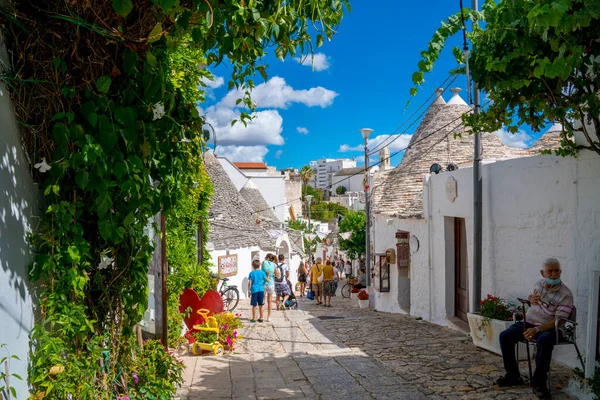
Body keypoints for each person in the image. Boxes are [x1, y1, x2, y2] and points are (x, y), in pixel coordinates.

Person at [496, 258, 573, 400]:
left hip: (550, 327)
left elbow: (559, 321)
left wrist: (537, 330)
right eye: (550, 271)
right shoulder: (539, 284)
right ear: (543, 273)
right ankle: (513, 376)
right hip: (530, 321)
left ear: (561, 272)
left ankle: (539, 382)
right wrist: (531, 298)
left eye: (557, 271)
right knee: (505, 336)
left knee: (544, 341)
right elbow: (531, 297)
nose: (554, 274)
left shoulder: (566, 294)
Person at [261, 253, 276, 322]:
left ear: (267, 257)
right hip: (271, 283)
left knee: (262, 301)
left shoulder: (264, 262)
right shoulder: (274, 265)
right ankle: (269, 317)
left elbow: (262, 271)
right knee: (269, 301)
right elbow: (276, 274)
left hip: (263, 283)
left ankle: (261, 317)